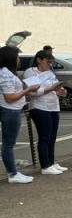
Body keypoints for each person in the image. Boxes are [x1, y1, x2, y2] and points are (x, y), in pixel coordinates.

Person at [23, 49, 68, 175]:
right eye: (48, 62)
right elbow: (33, 92)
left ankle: (51, 162)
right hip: (40, 107)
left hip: (53, 106)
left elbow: (55, 88)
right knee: (44, 137)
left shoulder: (50, 73)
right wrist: (50, 88)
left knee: (52, 137)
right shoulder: (30, 72)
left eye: (51, 62)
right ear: (39, 60)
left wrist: (60, 91)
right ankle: (45, 165)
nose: (50, 64)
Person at [1, 45, 40, 184]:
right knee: (8, 144)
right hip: (10, 110)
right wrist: (27, 90)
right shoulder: (5, 74)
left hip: (11, 109)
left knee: (8, 144)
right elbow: (9, 97)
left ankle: (13, 173)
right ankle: (13, 174)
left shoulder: (8, 72)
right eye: (17, 57)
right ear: (10, 58)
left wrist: (27, 91)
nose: (19, 59)